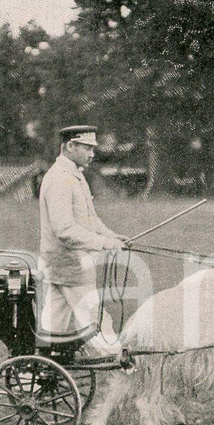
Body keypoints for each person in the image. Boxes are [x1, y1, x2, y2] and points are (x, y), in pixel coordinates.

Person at [38, 125, 127, 365]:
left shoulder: (75, 176)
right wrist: (104, 243)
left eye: (92, 148)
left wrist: (112, 236)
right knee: (96, 320)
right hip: (70, 264)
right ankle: (122, 363)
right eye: (87, 148)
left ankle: (36, 372)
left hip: (64, 265)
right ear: (70, 146)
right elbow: (64, 230)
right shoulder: (59, 179)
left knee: (52, 327)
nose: (92, 154)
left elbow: (89, 218)